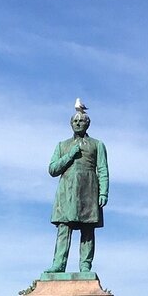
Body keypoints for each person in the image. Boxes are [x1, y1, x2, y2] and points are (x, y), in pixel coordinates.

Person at [46, 107, 109, 273]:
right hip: (66, 191)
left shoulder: (97, 145)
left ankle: (85, 265)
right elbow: (53, 169)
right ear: (70, 124)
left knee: (87, 229)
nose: (78, 123)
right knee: (64, 228)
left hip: (88, 189)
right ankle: (58, 264)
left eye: (81, 120)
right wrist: (70, 155)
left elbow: (102, 169)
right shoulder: (62, 145)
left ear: (87, 123)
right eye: (75, 121)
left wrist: (103, 192)